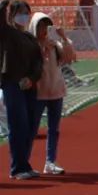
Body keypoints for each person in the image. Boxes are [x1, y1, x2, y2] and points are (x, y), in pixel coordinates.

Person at [1, 0, 43, 179]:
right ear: (11, 15)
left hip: (29, 86)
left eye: (27, 13)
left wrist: (32, 79)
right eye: (20, 13)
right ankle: (17, 168)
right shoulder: (6, 32)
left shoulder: (29, 37)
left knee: (31, 126)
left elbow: (38, 62)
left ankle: (24, 164)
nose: (24, 16)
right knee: (18, 125)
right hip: (12, 84)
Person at [29, 12, 76, 175]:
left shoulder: (54, 45)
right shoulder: (31, 46)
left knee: (54, 128)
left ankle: (50, 161)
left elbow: (70, 57)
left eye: (45, 26)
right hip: (38, 93)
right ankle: (24, 161)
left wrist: (63, 38)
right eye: (40, 26)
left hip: (56, 91)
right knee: (32, 128)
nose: (43, 29)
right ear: (34, 27)